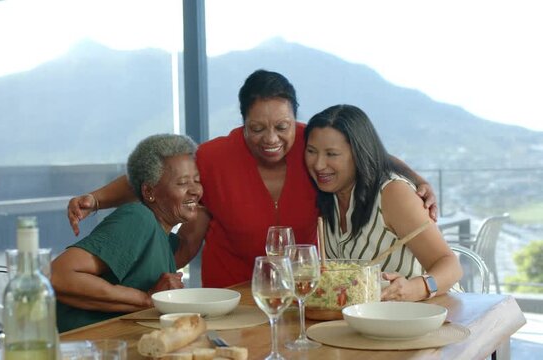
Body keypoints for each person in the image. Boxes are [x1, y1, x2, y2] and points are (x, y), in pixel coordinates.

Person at [66, 70, 438, 288]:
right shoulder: (214, 156)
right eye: (257, 128)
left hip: (301, 294)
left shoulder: (314, 146)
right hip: (230, 292)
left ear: (296, 121)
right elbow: (156, 176)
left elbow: (368, 151)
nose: (271, 139)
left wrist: (418, 180)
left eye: (282, 126)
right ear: (242, 121)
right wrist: (96, 200)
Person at [304, 104, 461, 301]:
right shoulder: (329, 196)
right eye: (311, 151)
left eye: (332, 154)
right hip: (374, 322)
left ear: (359, 154)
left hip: (436, 313)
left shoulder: (393, 193)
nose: (318, 164)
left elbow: (451, 266)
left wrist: (415, 288)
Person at [51, 134, 202, 332]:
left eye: (197, 181)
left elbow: (187, 243)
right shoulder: (138, 218)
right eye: (182, 183)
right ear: (149, 192)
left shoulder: (164, 240)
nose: (195, 191)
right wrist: (146, 299)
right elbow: (58, 275)